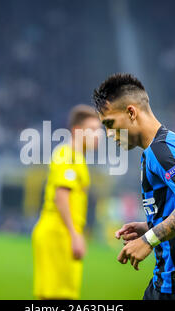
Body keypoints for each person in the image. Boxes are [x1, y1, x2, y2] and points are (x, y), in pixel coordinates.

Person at [92, 73, 175, 300]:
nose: (108, 134)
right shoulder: (166, 145)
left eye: (110, 124)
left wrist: (149, 239)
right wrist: (151, 224)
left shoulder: (161, 150)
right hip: (171, 280)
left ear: (131, 112)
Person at [32, 104, 101, 299]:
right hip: (58, 232)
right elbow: (61, 196)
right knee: (60, 296)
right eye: (93, 130)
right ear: (77, 131)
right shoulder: (67, 155)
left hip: (61, 232)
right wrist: (74, 234)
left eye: (99, 131)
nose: (99, 135)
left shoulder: (76, 157)